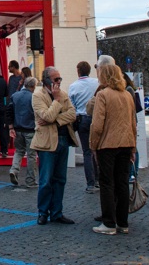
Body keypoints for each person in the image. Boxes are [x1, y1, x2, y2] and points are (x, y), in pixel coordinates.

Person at [89, 64, 137, 235]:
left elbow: (97, 125)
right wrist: (133, 147)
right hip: (126, 143)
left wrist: (93, 145)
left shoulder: (103, 95)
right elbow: (133, 123)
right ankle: (123, 222)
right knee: (122, 183)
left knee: (107, 183)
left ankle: (109, 223)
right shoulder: (127, 95)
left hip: (108, 144)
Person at [31, 66, 79, 225]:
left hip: (63, 140)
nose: (59, 82)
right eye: (55, 79)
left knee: (60, 179)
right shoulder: (38, 96)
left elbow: (72, 114)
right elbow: (46, 116)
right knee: (45, 180)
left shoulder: (63, 94)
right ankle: (43, 212)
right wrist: (57, 102)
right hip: (46, 143)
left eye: (60, 79)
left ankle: (57, 212)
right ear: (46, 81)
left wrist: (57, 119)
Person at [68, 61, 99, 192]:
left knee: (87, 152)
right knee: (98, 149)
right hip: (96, 117)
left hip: (82, 119)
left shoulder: (74, 86)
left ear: (78, 71)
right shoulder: (97, 83)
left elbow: (72, 105)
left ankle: (90, 183)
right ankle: (99, 180)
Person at [9, 76, 38, 188]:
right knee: (31, 155)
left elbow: (9, 112)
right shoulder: (33, 97)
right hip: (30, 129)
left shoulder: (15, 95)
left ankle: (14, 170)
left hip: (18, 128)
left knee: (19, 151)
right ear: (33, 86)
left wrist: (11, 127)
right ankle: (30, 180)